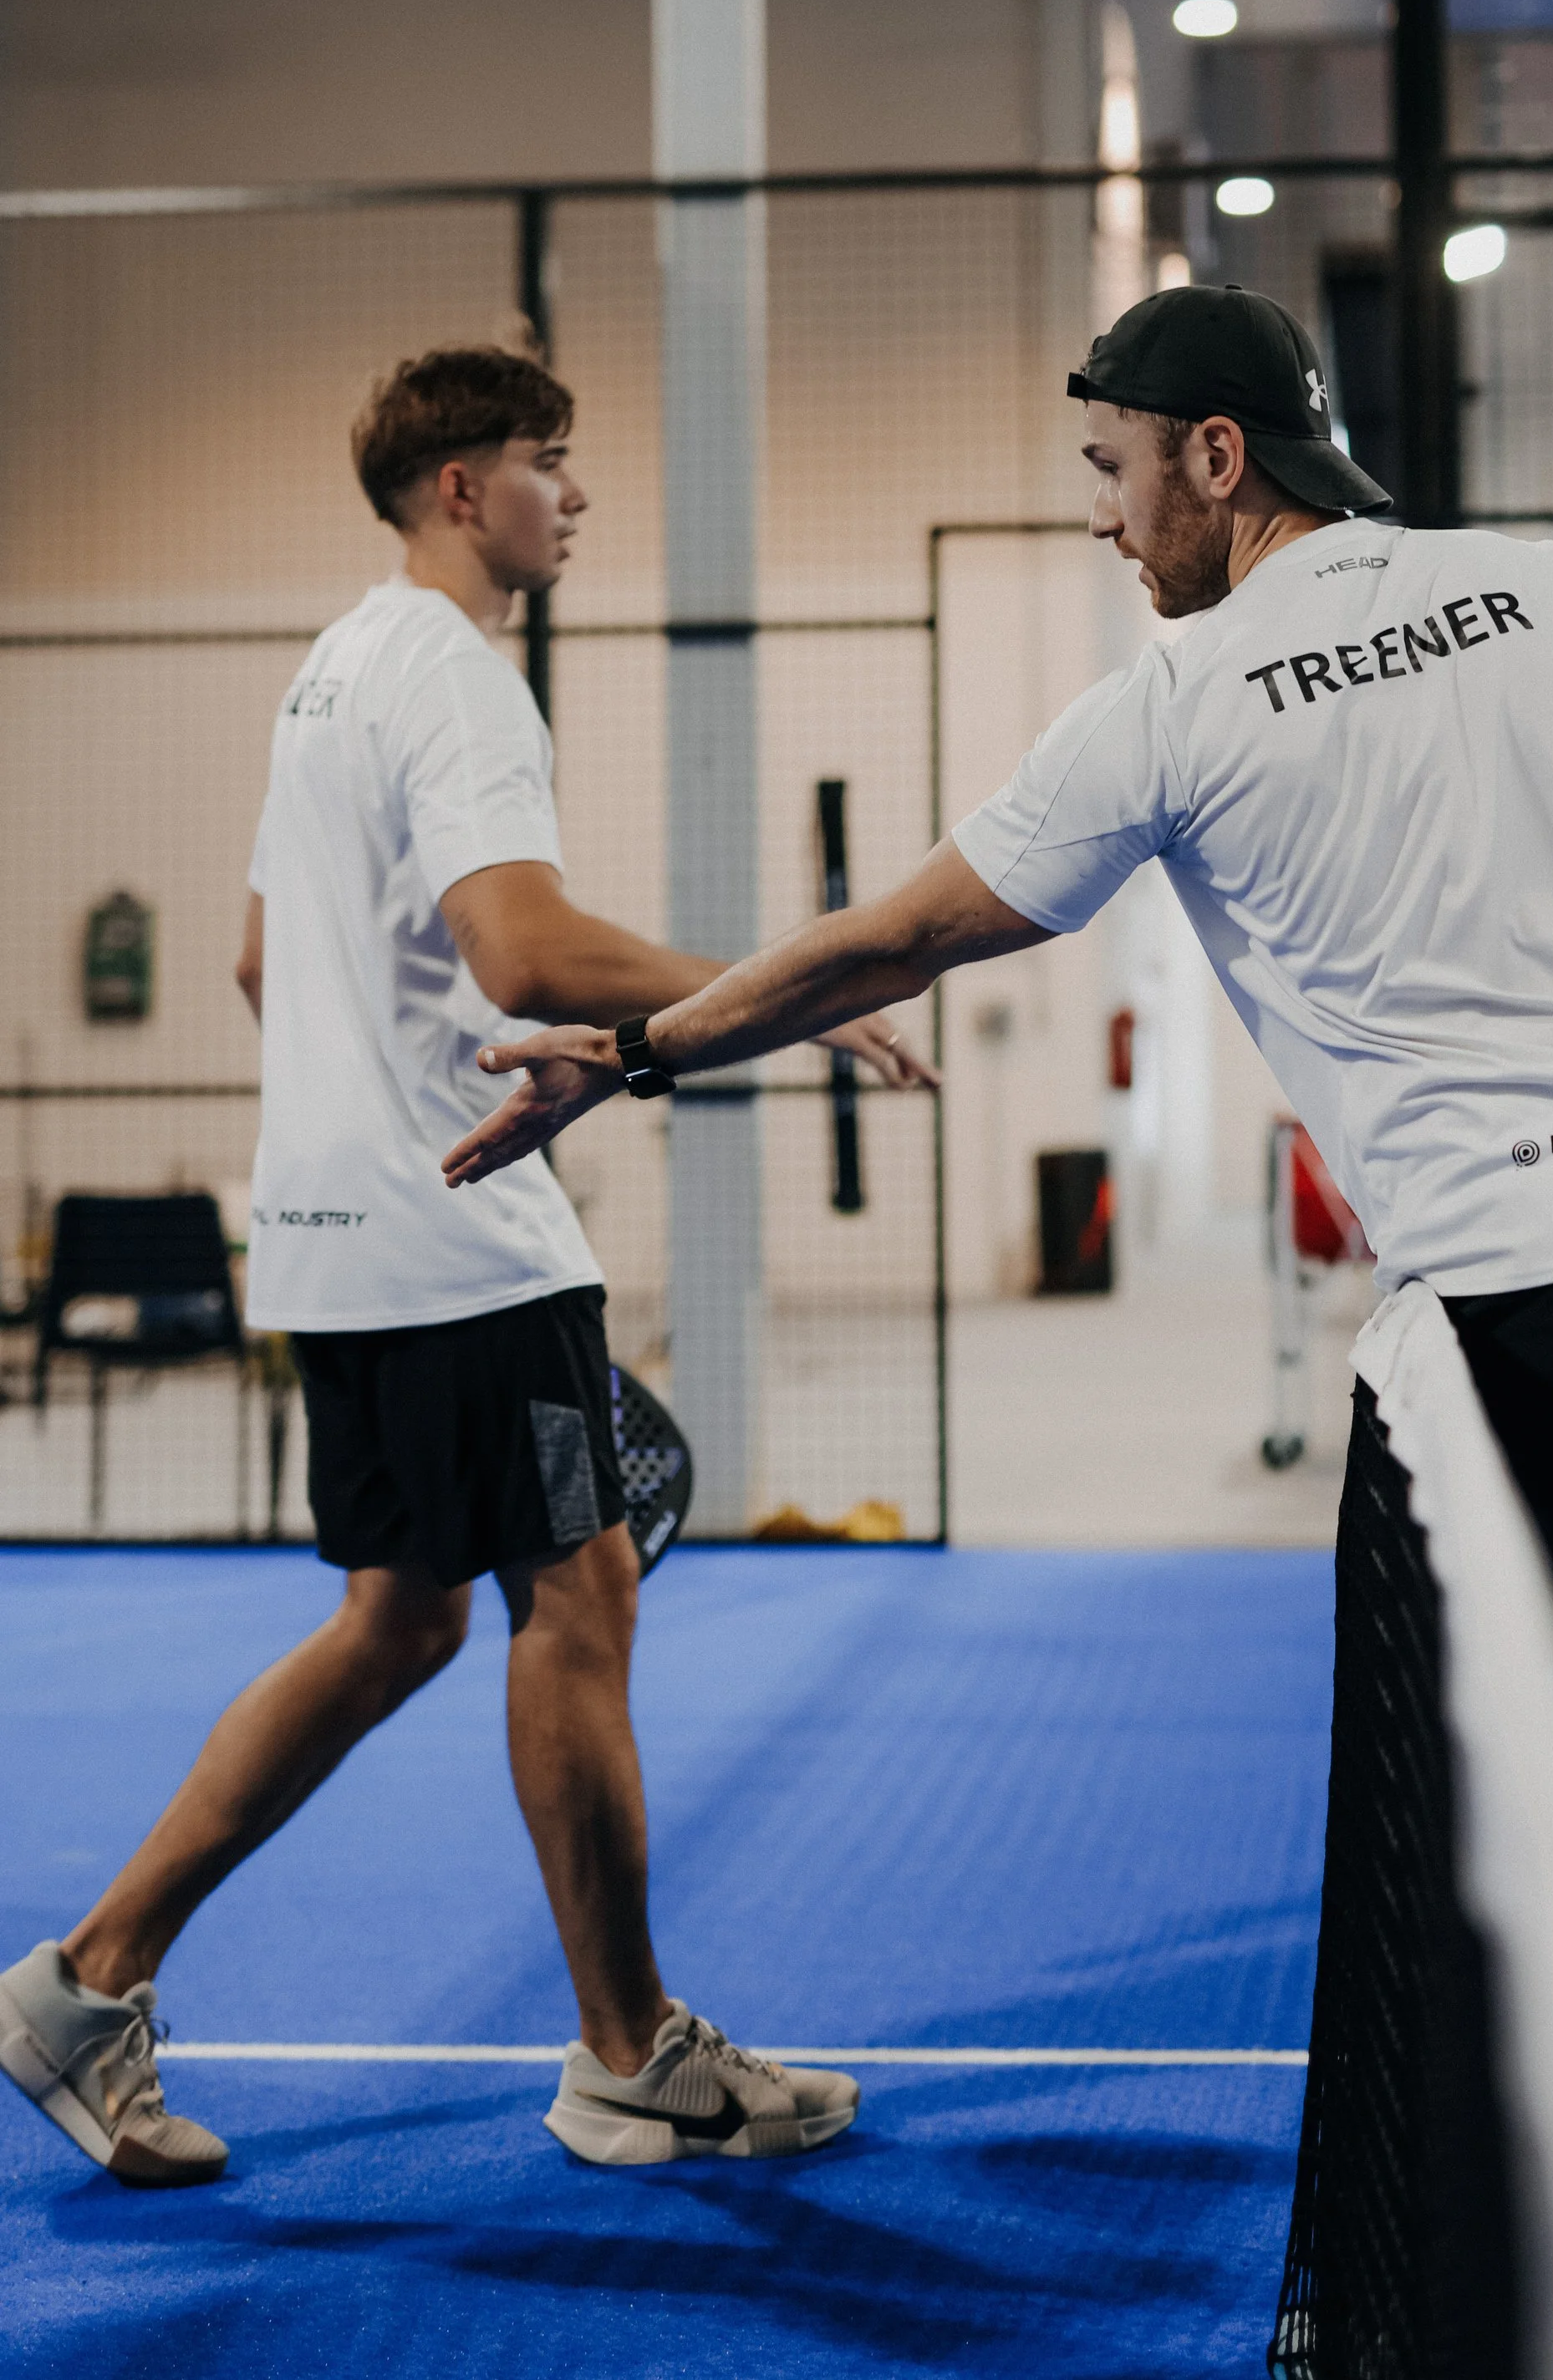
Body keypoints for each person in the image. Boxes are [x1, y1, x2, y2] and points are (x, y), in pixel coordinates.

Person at [441, 282, 1553, 2380]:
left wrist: (638, 1053)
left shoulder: (1172, 697)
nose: (1106, 526)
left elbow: (901, 934)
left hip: (1507, 1285)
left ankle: (1414, 2308)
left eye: (1116, 476)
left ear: (1219, 458)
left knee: (1449, 1817)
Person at [0, 343, 929, 2190]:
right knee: (576, 1595)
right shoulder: (459, 677)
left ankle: (88, 1980)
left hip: (336, 1231)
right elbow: (514, 949)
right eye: (543, 462)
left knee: (402, 1616)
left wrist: (429, 1071)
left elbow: (273, 962)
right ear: (458, 490)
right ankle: (626, 2057)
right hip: (459, 1235)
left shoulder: (330, 672)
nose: (569, 496)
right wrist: (778, 994)